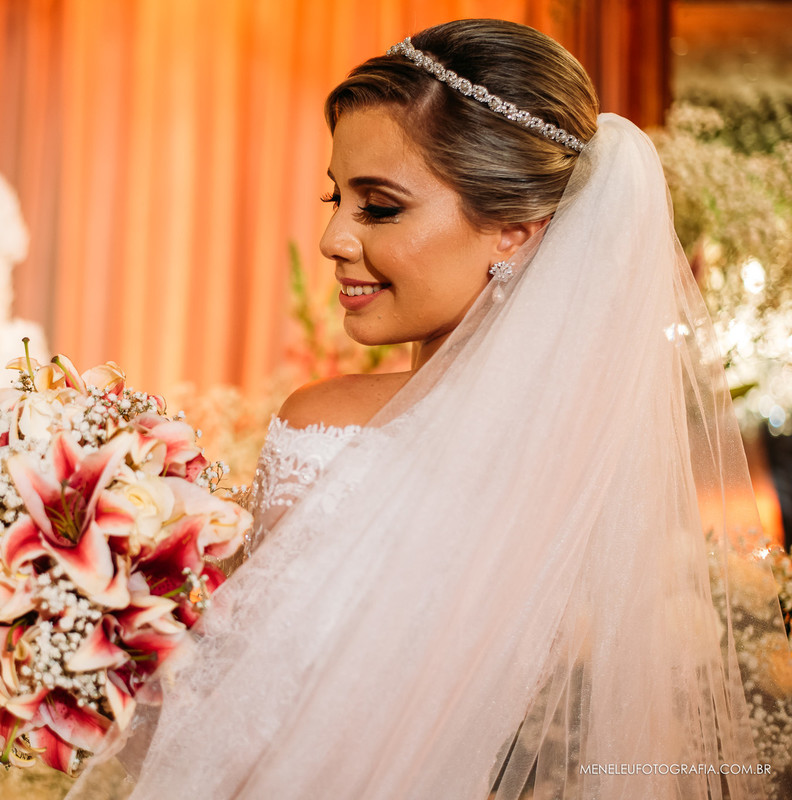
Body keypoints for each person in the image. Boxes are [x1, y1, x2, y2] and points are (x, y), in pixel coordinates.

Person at [70, 18, 787, 799]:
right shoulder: (596, 462)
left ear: (513, 230)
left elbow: (223, 742)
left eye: (378, 208)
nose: (333, 237)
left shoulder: (329, 421)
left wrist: (71, 632)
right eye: (335, 197)